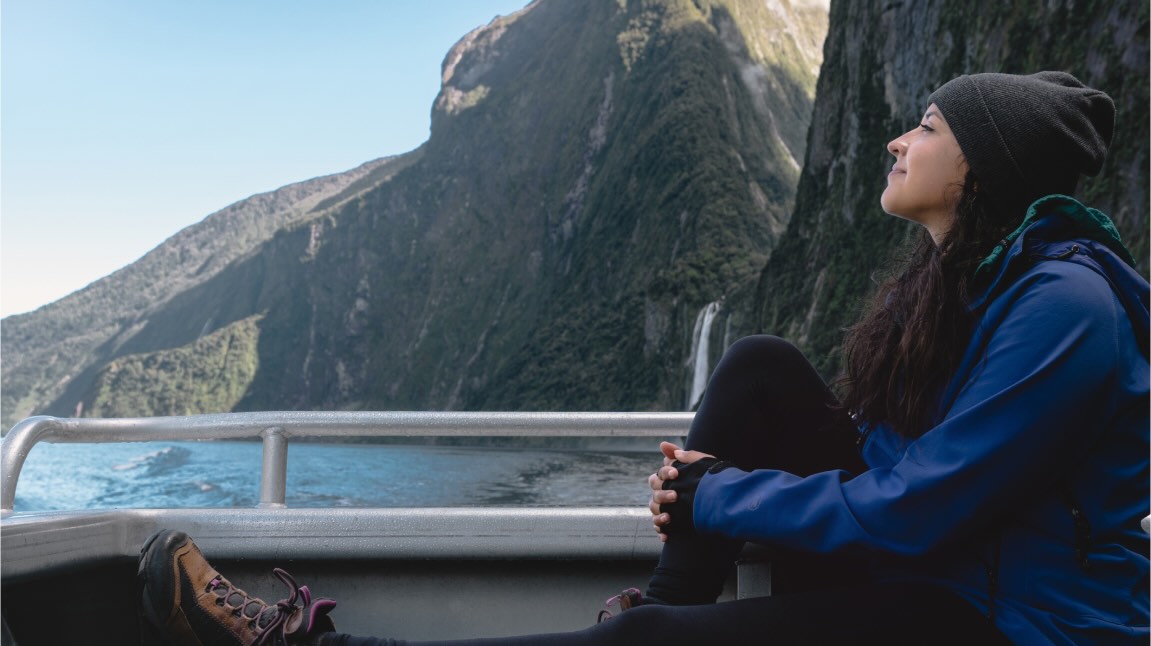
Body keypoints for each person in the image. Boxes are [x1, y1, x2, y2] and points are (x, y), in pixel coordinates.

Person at [138, 71, 1149, 645]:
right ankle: (664, 603)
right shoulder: (974, 285)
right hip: (956, 571)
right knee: (756, 365)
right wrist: (718, 485)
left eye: (924, 127)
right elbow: (888, 456)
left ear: (982, 166)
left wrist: (720, 496)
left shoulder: (1063, 307)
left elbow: (912, 506)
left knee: (641, 643)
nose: (894, 139)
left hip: (1016, 624)